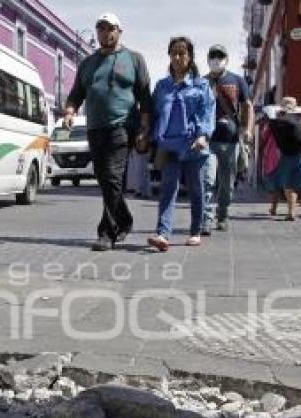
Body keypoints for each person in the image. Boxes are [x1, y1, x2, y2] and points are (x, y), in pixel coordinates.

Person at [64, 12, 153, 251]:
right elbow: (75, 94)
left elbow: (145, 97)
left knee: (112, 177)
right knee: (104, 179)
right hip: (94, 128)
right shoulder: (87, 63)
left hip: (123, 126)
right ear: (97, 32)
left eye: (111, 28)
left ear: (119, 32)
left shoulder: (134, 59)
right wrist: (70, 113)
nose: (106, 32)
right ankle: (124, 219)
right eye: (101, 28)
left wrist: (144, 129)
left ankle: (107, 232)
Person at [147, 36, 215, 252]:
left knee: (196, 189)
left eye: (182, 53)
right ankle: (163, 234)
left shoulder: (201, 85)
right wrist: (149, 136)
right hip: (169, 145)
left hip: (193, 144)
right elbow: (155, 113)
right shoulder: (162, 86)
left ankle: (195, 231)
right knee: (168, 189)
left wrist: (203, 135)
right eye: (173, 53)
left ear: (190, 56)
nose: (177, 57)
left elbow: (207, 112)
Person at [204, 44, 254, 232]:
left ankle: (222, 214)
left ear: (226, 58)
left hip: (230, 140)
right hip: (207, 140)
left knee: (227, 182)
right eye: (213, 55)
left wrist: (248, 129)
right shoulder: (202, 82)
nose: (216, 59)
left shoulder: (237, 80)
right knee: (207, 179)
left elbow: (248, 106)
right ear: (208, 59)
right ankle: (206, 219)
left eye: (220, 55)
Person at [267, 97, 301, 221]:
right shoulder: (299, 120)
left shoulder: (279, 121)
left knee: (287, 184)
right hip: (299, 156)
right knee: (294, 185)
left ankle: (291, 211)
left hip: (286, 156)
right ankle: (292, 210)